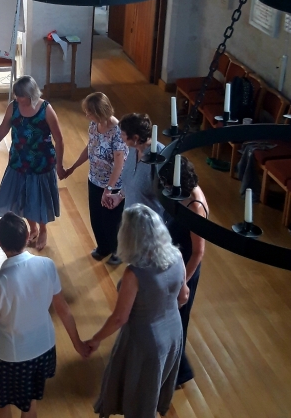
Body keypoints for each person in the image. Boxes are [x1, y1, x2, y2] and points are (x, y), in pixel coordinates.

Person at [0, 213, 88, 418]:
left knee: (1, 404)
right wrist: (78, 344)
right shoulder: (47, 265)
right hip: (43, 349)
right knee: (29, 404)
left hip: (10, 355)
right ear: (28, 235)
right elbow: (63, 309)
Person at [87, 204, 190, 418]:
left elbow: (119, 318)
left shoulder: (134, 274)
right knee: (153, 391)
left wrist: (96, 339)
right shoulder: (178, 257)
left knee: (138, 399)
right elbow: (183, 297)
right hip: (173, 335)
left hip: (145, 343)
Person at [0, 75, 65, 251]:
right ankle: (32, 227)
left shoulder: (46, 109)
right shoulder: (13, 107)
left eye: (21, 96)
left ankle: (42, 230)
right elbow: (3, 128)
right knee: (23, 197)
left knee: (39, 199)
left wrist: (59, 165)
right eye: (16, 95)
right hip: (19, 161)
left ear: (31, 94)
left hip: (41, 164)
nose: (17, 98)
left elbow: (59, 139)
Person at [158, 155, 208, 388]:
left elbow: (198, 252)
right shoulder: (183, 194)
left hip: (185, 270)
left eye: (168, 185)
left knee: (177, 320)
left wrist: (182, 283)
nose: (166, 189)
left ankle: (177, 373)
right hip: (173, 263)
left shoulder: (195, 207)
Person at [63, 92, 128, 265]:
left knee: (111, 221)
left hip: (113, 185)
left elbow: (119, 165)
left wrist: (109, 188)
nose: (86, 115)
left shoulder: (117, 132)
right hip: (94, 179)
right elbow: (90, 148)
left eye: (89, 112)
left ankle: (117, 251)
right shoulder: (93, 125)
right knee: (96, 217)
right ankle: (103, 247)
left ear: (99, 112)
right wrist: (73, 167)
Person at [118, 113, 166, 219]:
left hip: (150, 226)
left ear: (135, 137)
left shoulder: (160, 156)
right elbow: (131, 181)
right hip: (130, 220)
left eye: (123, 135)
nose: (120, 137)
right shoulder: (133, 149)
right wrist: (120, 196)